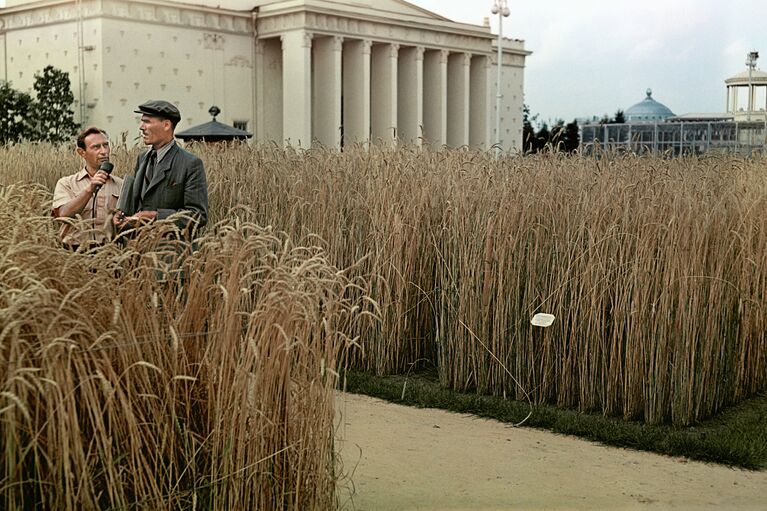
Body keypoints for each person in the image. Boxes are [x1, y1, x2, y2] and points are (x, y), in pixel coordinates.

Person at [114, 100, 208, 237]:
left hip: (169, 252)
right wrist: (122, 215)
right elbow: (139, 203)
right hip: (138, 250)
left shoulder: (190, 164)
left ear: (166, 125)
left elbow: (198, 215)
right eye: (142, 122)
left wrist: (155, 216)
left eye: (147, 122)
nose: (141, 127)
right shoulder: (142, 158)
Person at [52, 127, 123, 250]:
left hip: (109, 252)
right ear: (81, 152)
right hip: (73, 251)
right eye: (96, 147)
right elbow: (63, 214)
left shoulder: (121, 184)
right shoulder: (66, 183)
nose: (103, 151)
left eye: (105, 145)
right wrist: (89, 189)